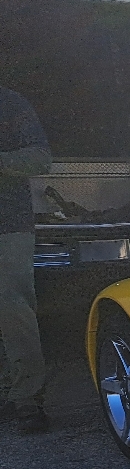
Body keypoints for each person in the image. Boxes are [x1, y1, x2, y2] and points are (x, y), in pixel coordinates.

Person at [0, 87, 52, 433]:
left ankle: (27, 399)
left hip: (8, 224)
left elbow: (40, 158)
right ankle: (7, 390)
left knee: (12, 306)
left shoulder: (9, 102)